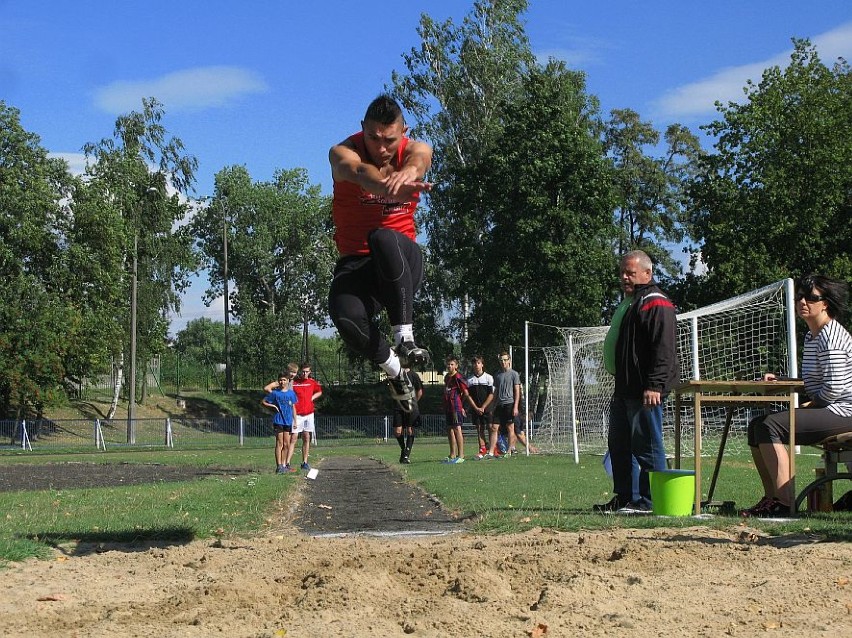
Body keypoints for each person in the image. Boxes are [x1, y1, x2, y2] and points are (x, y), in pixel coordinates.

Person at [328, 94, 433, 414]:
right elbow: (357, 171)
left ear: (404, 132)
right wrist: (385, 184)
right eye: (373, 138)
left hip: (400, 261)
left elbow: (420, 159)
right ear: (363, 129)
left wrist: (409, 174)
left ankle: (404, 336)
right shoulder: (342, 152)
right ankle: (397, 373)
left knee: (383, 236)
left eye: (389, 140)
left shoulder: (416, 149)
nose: (381, 147)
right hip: (356, 262)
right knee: (343, 315)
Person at [742, 275, 852, 517]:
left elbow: (834, 388)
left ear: (825, 303)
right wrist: (785, 381)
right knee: (757, 426)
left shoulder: (831, 337)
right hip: (831, 407)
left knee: (772, 425)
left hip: (844, 411)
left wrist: (810, 404)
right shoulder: (813, 336)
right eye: (799, 296)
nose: (803, 301)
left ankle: (784, 502)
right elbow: (818, 381)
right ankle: (771, 499)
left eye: (811, 297)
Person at [594, 250, 678, 514]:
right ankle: (625, 497)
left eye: (630, 272)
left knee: (647, 446)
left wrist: (654, 384)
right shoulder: (632, 302)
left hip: (645, 391)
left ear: (647, 273)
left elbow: (663, 348)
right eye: (622, 272)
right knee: (619, 446)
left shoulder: (657, 302)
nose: (624, 277)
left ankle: (651, 500)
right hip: (624, 389)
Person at [265, 362, 323, 472]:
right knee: (286, 441)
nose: (293, 374)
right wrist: (277, 397)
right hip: (286, 416)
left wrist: (311, 398)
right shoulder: (284, 381)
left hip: (298, 414)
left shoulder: (299, 382)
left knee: (294, 440)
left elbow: (318, 391)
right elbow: (267, 388)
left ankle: (292, 464)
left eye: (295, 372)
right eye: (291, 372)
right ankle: (283, 465)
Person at [261, 365, 299, 474]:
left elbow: (293, 407)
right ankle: (278, 466)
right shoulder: (275, 393)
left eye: (284, 380)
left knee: (287, 444)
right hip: (279, 421)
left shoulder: (291, 393)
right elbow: (264, 402)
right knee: (279, 443)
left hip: (288, 421)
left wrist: (295, 421)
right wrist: (273, 407)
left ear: (288, 381)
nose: (282, 382)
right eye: (280, 380)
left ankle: (283, 464)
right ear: (278, 381)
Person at [487, 352, 522, 458]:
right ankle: (491, 452)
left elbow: (517, 391)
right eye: (501, 360)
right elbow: (496, 391)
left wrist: (516, 406)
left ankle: (509, 451)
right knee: (494, 427)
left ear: (509, 360)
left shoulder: (514, 374)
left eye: (505, 360)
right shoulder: (497, 375)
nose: (503, 362)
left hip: (510, 404)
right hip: (499, 404)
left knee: (510, 427)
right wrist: (493, 405)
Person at [393, 367, 424, 464]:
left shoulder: (413, 375)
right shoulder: (396, 373)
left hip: (410, 406)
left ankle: (406, 454)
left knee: (410, 430)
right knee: (398, 431)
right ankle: (403, 449)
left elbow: (419, 391)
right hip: (398, 406)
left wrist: (413, 403)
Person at [443, 355, 469, 463]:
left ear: (456, 366)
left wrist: (460, 404)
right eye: (448, 364)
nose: (450, 366)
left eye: (452, 364)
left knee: (457, 428)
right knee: (449, 429)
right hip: (448, 407)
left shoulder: (458, 377)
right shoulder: (447, 377)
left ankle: (461, 455)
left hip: (455, 406)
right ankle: (452, 454)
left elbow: (466, 393)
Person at [466, 355, 494, 457]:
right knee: (479, 428)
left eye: (478, 363)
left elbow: (491, 394)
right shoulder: (470, 380)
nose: (476, 365)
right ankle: (482, 449)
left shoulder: (488, 378)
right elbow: (468, 396)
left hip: (487, 407)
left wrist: (483, 407)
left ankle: (492, 448)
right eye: (474, 363)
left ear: (482, 364)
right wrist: (476, 408)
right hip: (476, 408)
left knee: (491, 427)